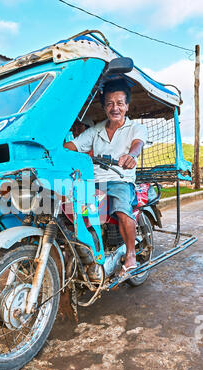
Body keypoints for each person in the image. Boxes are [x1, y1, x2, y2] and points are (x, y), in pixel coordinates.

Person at [63, 79, 148, 275]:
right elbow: (73, 146)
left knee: (121, 210)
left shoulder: (136, 128)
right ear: (104, 107)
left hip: (120, 179)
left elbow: (137, 145)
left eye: (119, 103)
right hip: (95, 181)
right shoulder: (96, 130)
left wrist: (131, 156)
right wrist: (51, 151)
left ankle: (131, 254)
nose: (114, 108)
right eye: (110, 103)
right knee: (69, 210)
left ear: (126, 106)